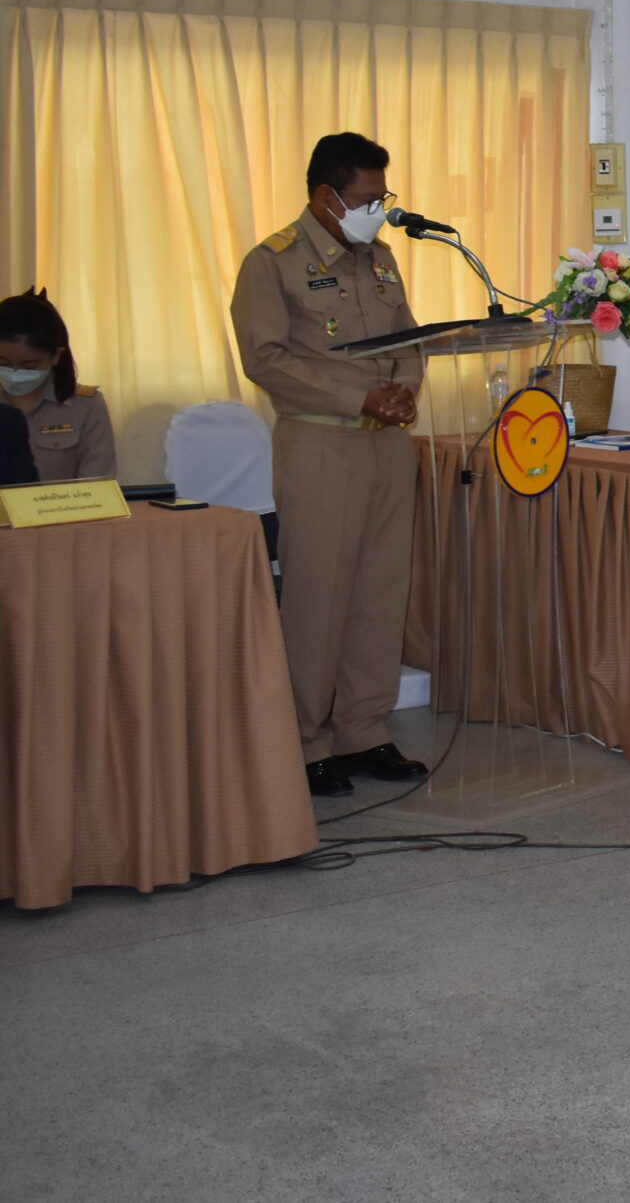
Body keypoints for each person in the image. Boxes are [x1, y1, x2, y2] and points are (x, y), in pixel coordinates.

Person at [230, 132, 428, 798]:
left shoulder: (381, 258)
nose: (381, 209)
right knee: (318, 599)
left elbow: (410, 338)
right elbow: (265, 359)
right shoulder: (273, 262)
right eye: (369, 198)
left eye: (383, 196)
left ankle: (364, 730)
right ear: (326, 195)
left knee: (379, 594)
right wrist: (357, 398)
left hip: (387, 446)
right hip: (321, 444)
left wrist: (404, 390)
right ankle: (306, 740)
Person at [0, 289, 117, 482]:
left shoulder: (85, 405)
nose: (15, 372)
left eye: (29, 366)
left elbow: (96, 485)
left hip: (65, 503)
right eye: (3, 363)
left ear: (56, 356)